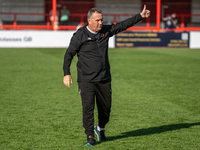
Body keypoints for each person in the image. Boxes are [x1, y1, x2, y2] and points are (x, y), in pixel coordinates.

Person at [63, 5, 150, 146]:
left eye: (101, 20)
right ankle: (90, 136)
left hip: (104, 79)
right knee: (88, 108)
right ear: (89, 21)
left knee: (106, 109)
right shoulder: (80, 35)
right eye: (97, 20)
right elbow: (69, 55)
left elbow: (122, 25)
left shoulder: (105, 31)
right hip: (86, 80)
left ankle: (100, 128)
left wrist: (140, 16)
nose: (100, 23)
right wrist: (66, 73)